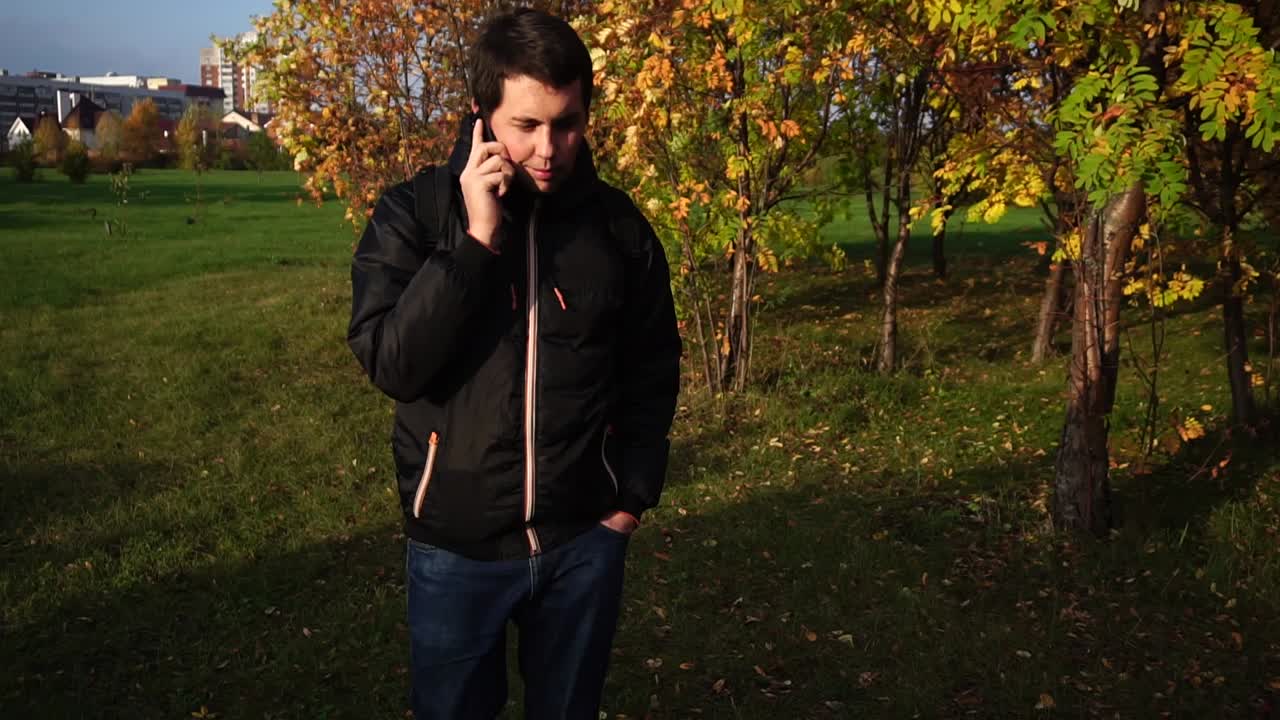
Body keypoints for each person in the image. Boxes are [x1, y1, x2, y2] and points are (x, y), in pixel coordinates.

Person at [346, 8, 682, 719]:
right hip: (454, 550)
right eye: (526, 125)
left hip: (583, 545)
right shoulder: (413, 213)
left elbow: (653, 363)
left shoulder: (617, 229)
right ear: (480, 114)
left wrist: (630, 500)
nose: (549, 148)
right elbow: (392, 364)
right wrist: (474, 243)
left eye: (567, 123)